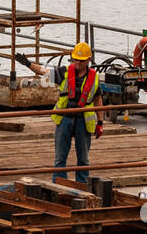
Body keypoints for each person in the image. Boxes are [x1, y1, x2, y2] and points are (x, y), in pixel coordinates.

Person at [25, 42, 102, 185]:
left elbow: (98, 99)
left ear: (88, 60)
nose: (78, 63)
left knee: (83, 158)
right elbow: (44, 71)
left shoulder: (94, 77)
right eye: (75, 59)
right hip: (65, 119)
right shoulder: (64, 72)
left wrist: (101, 122)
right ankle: (60, 185)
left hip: (84, 121)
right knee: (60, 157)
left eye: (81, 60)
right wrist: (28, 64)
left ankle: (82, 186)